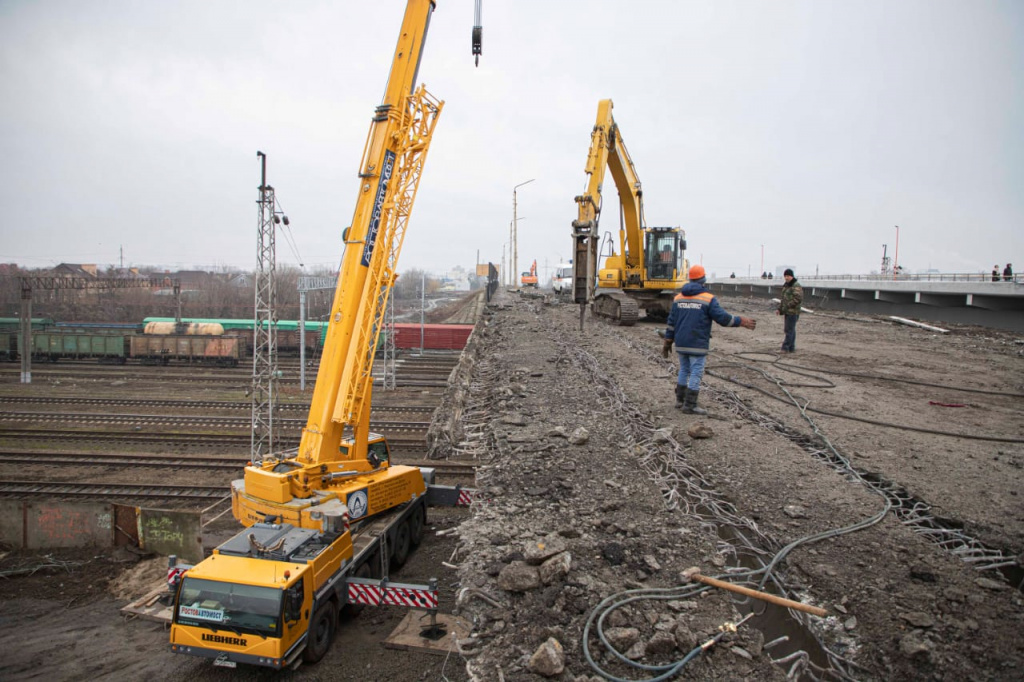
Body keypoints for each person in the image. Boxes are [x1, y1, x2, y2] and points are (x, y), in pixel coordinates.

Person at [662, 264, 756, 414]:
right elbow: (723, 319)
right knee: (696, 371)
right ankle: (690, 404)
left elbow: (671, 322)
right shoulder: (708, 299)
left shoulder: (678, 298)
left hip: (681, 341)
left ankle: (680, 400)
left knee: (684, 369)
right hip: (697, 342)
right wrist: (741, 321)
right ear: (703, 280)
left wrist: (668, 340)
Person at [777, 268, 803, 352]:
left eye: (788, 276)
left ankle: (785, 348)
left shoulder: (796, 285)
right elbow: (783, 299)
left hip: (793, 311)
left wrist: (787, 306)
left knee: (789, 330)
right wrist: (780, 309)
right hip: (787, 311)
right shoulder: (786, 285)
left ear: (792, 276)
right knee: (790, 329)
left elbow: (798, 298)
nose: (786, 278)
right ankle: (791, 348)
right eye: (785, 276)